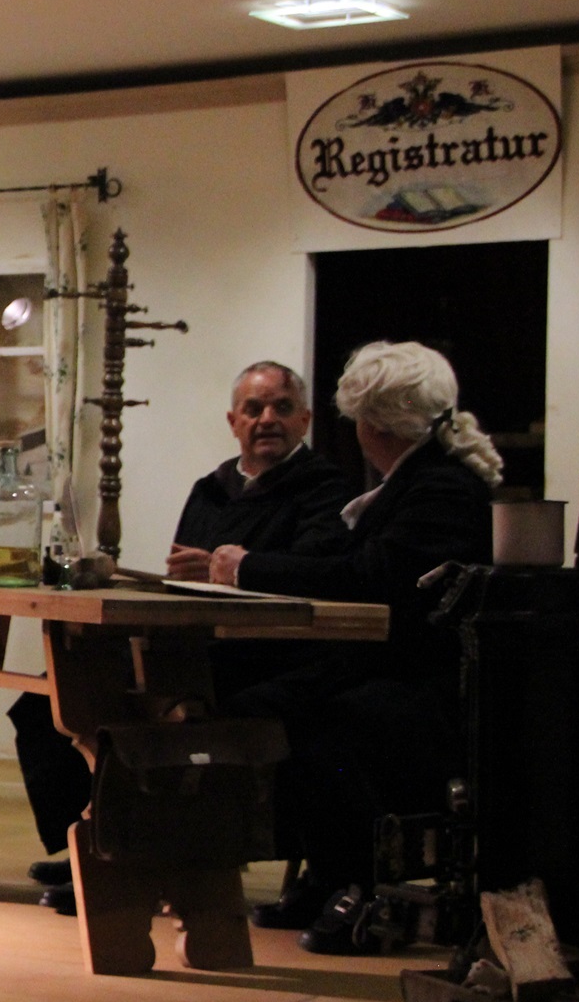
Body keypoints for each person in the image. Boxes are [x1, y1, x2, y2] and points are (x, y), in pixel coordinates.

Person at [11, 361, 354, 913]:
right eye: (253, 409)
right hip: (192, 641)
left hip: (267, 653)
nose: (267, 419)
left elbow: (317, 569)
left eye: (282, 407)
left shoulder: (324, 488)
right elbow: (184, 571)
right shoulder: (211, 490)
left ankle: (138, 858)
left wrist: (235, 569)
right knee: (53, 699)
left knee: (155, 713)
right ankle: (89, 842)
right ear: (233, 422)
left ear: (305, 419)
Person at [210, 341, 499, 954]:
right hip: (391, 666)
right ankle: (325, 872)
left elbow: (371, 576)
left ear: (373, 424)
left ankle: (359, 887)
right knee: (258, 703)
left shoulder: (440, 487)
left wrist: (250, 567)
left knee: (319, 721)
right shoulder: (417, 480)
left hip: (428, 685)